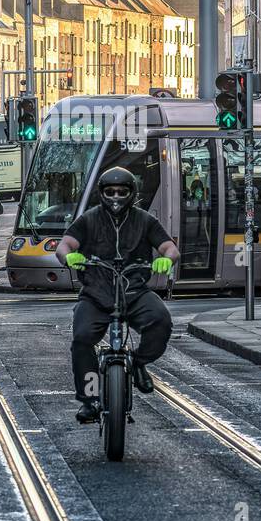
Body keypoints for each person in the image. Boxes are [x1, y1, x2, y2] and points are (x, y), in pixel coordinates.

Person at [54, 167, 180, 424]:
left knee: (161, 320)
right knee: (81, 339)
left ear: (132, 193)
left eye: (122, 191)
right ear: (101, 193)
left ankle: (137, 363)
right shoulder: (89, 219)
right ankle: (90, 401)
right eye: (110, 191)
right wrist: (68, 256)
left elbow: (170, 247)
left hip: (134, 291)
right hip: (96, 294)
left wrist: (166, 260)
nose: (115, 196)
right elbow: (64, 245)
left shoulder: (145, 220)